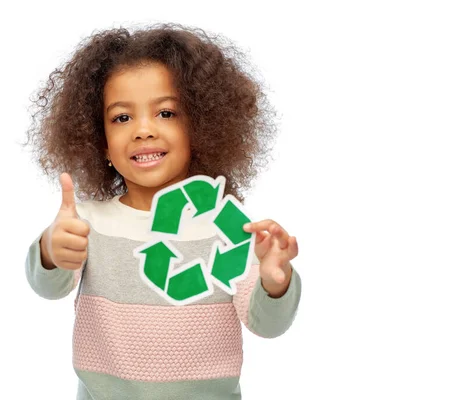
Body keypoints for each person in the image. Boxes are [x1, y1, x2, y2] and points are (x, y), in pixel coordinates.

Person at [23, 23, 302, 400]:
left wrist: (276, 281)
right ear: (101, 142)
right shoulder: (87, 224)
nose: (143, 130)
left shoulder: (229, 226)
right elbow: (47, 286)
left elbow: (268, 325)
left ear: (201, 126)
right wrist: (51, 252)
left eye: (166, 113)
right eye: (122, 118)